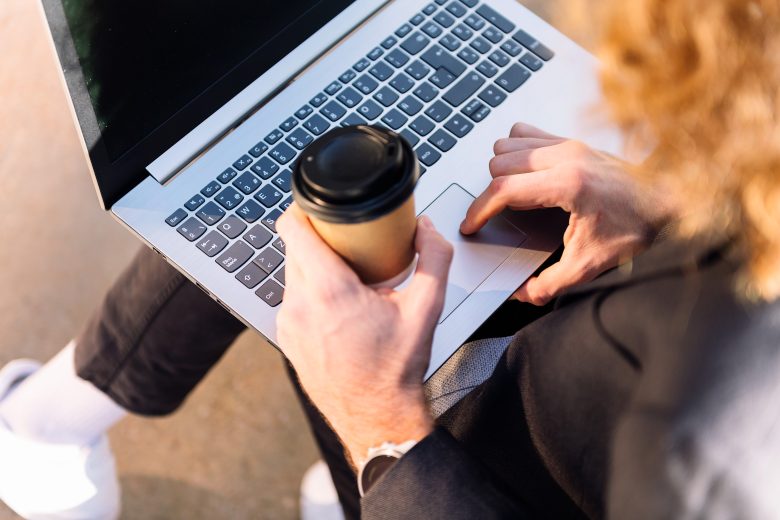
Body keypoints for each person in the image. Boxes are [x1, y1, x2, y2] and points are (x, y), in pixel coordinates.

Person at [2, 0, 779, 518]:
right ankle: (52, 418)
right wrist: (677, 205)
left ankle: (50, 420)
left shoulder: (723, 444)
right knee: (286, 146)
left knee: (294, 213)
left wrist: (385, 439)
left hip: (502, 452)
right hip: (599, 324)